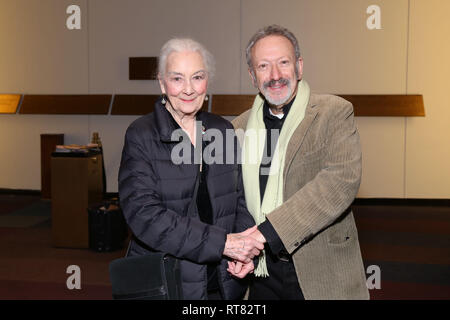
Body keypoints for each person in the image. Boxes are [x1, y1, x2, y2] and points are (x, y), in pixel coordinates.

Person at [229, 25, 369, 300]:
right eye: (264, 66)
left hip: (320, 272)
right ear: (252, 76)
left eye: (284, 63)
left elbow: (339, 182)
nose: (276, 75)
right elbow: (235, 199)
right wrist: (238, 246)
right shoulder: (238, 129)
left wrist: (264, 234)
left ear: (299, 66)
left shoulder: (333, 113)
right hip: (260, 274)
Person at [118, 38, 263, 300]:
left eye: (197, 77)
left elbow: (240, 199)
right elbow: (145, 216)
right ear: (162, 83)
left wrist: (243, 250)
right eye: (177, 78)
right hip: (169, 285)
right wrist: (224, 244)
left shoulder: (222, 130)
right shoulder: (141, 135)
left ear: (207, 82)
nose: (188, 89)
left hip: (222, 281)